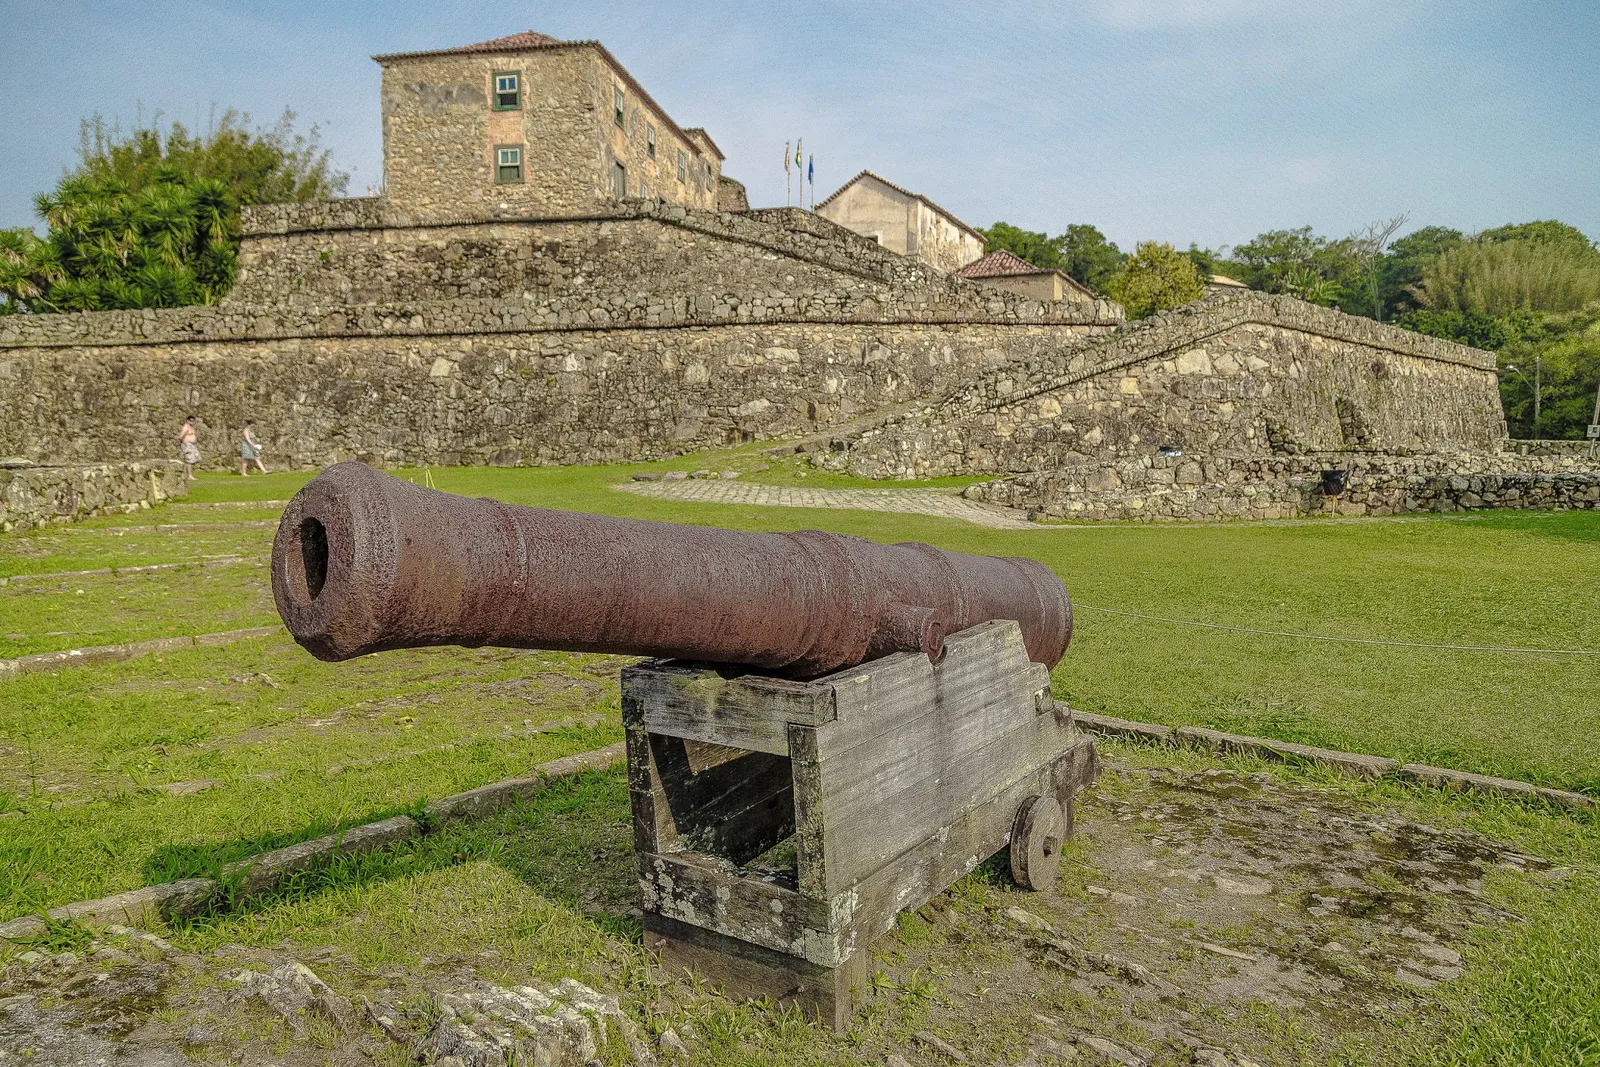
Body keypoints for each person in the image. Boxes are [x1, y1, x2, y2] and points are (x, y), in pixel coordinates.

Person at [176, 416, 200, 481]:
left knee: (194, 459)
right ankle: (189, 475)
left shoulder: (191, 427)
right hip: (187, 445)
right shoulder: (186, 427)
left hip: (191, 445)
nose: (192, 422)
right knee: (189, 460)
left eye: (193, 420)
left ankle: (189, 474)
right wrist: (183, 442)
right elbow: (181, 436)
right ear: (187, 420)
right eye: (190, 420)